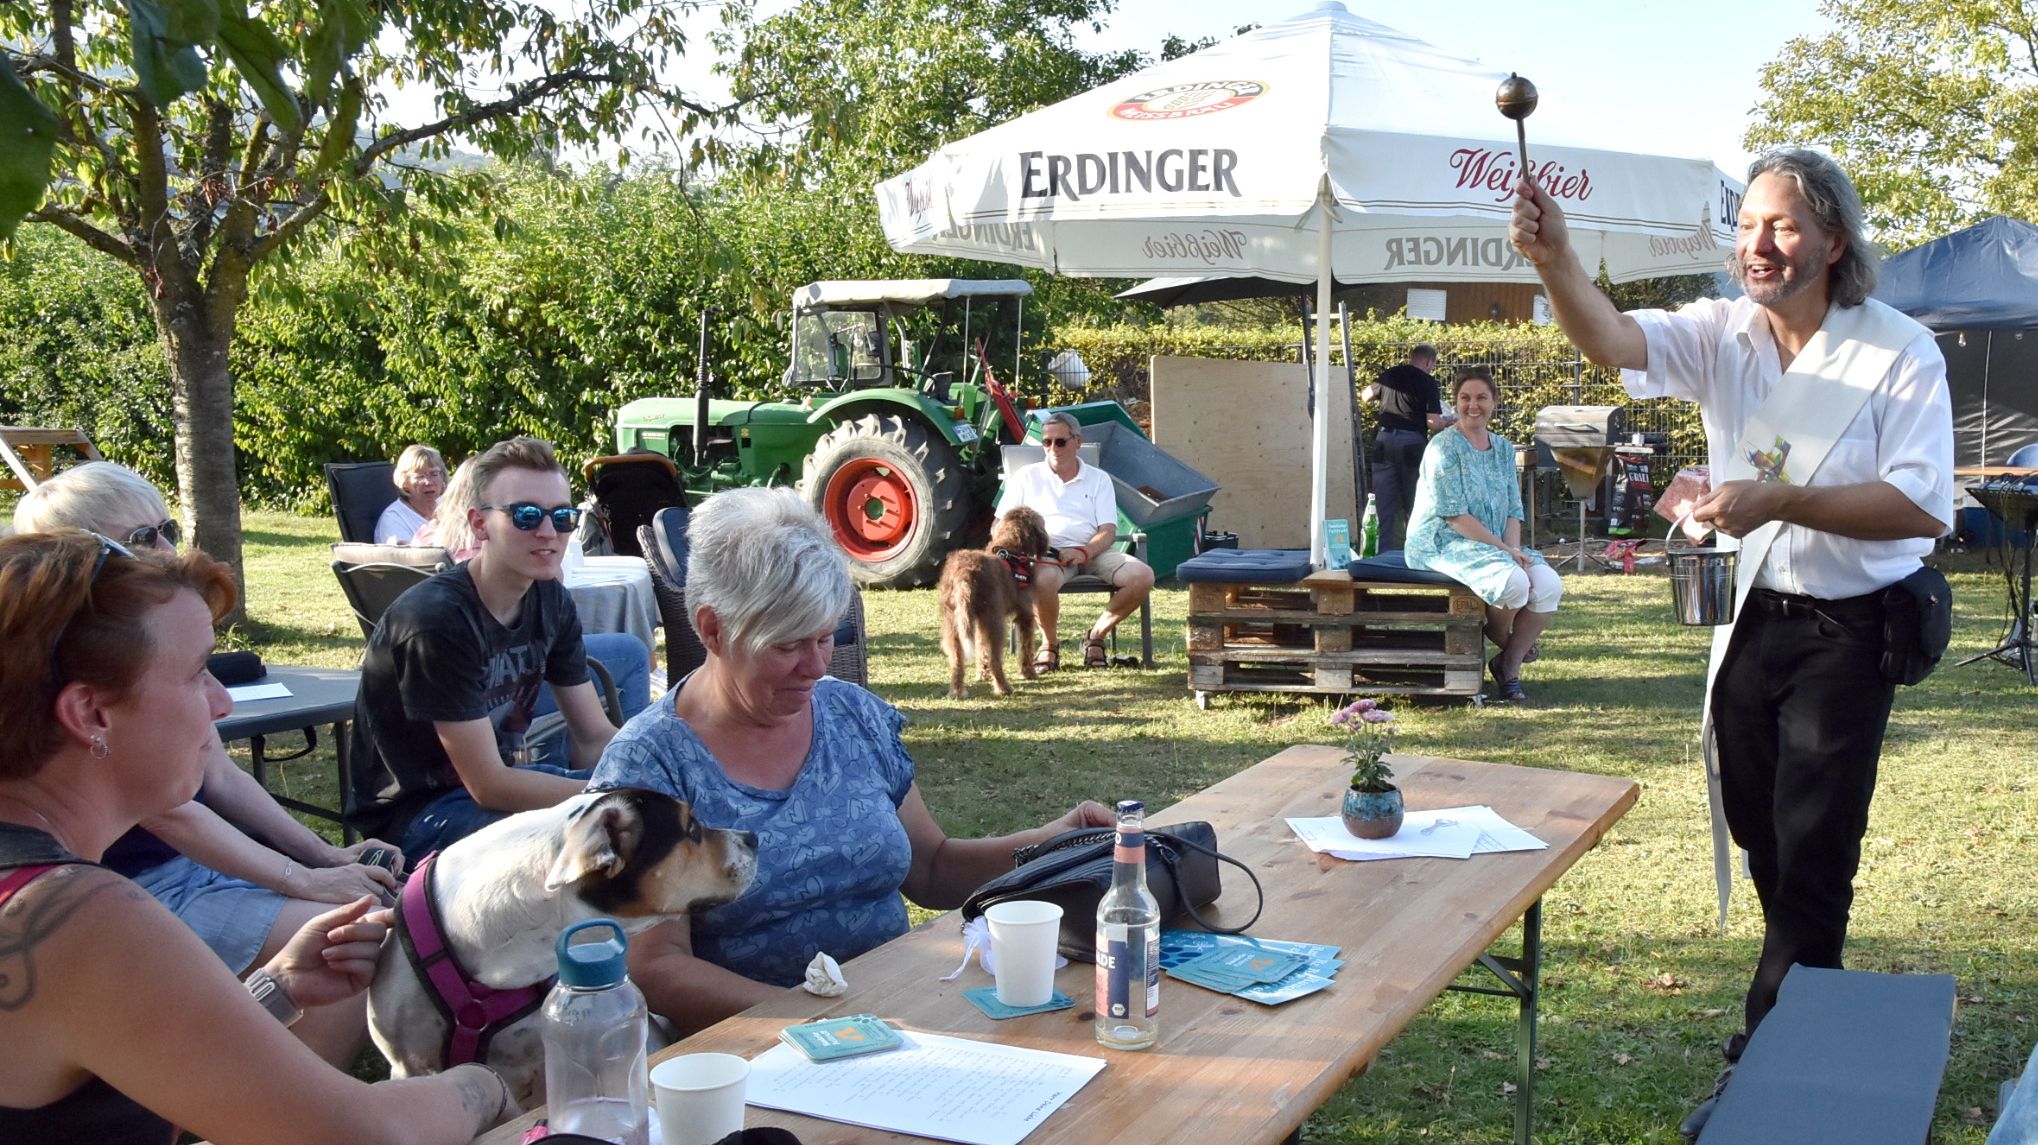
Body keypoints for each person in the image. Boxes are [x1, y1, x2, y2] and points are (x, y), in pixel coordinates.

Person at [1510, 148, 1953, 1138]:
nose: (1756, 242)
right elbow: (1612, 340)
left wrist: (1779, 497)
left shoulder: (1895, 349)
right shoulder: (1719, 333)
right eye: (1747, 223)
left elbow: (1921, 508)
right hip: (1749, 617)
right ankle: (1807, 999)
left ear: (1833, 241)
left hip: (1852, 631)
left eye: (1782, 225)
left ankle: (1775, 1048)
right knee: (1762, 826)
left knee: (1815, 848)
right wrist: (1555, 265)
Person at [0, 530, 513, 1144]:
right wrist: (489, 1084)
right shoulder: (75, 918)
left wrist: (277, 989)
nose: (221, 704)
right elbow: (364, 1135)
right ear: (89, 714)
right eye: (196, 674)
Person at [589, 488, 1112, 1035]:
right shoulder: (650, 766)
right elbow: (656, 967)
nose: (816, 666)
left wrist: (1056, 841)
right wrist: (817, 1020)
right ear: (712, 628)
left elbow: (931, 868)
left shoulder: (851, 715)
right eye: (788, 645)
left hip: (892, 1020)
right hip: (754, 1053)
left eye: (826, 636)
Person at [14, 461, 403, 1063]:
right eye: (143, 539)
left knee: (353, 933)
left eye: (166, 527)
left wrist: (322, 855)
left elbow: (216, 773)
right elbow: (175, 813)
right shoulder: (71, 907)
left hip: (189, 876)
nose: (168, 549)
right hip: (143, 887)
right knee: (353, 945)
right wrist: (306, 878)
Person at [345, 437, 621, 857]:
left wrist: (648, 770)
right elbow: (487, 784)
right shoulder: (436, 620)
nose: (548, 532)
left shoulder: (551, 599)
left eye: (562, 517)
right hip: (417, 818)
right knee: (603, 842)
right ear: (479, 525)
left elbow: (593, 734)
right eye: (526, 516)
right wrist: (610, 797)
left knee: (644, 826)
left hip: (501, 786)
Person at [1403, 368, 1562, 702]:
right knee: (1515, 583)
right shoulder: (1442, 447)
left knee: (1548, 585)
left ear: (1495, 402)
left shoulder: (1504, 449)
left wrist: (1513, 550)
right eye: (1464, 398)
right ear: (1456, 403)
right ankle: (1503, 638)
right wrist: (1505, 550)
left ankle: (1509, 664)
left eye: (1480, 398)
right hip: (1442, 540)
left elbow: (1512, 510)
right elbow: (1455, 515)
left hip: (1493, 543)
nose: (1472, 405)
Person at [993, 412, 1156, 670]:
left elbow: (1108, 530)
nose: (1052, 448)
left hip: (1095, 550)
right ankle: (1049, 645)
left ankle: (1095, 638)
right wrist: (1020, 547)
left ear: (1077, 441)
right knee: (1042, 580)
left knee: (1143, 576)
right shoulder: (1026, 477)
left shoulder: (1099, 478)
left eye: (1060, 442)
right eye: (1047, 442)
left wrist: (1085, 551)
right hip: (1046, 552)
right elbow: (999, 525)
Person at [1364, 343, 1454, 551]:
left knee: (1383, 503)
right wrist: (1449, 420)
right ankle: (1414, 551)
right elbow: (1433, 423)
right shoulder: (1427, 382)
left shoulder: (1391, 374)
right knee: (1416, 501)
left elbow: (1366, 395)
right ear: (1429, 361)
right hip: (1412, 443)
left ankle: (1379, 553)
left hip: (1383, 439)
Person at [373, 444, 446, 544]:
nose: (428, 482)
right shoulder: (393, 519)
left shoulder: (448, 507)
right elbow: (407, 557)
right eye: (420, 476)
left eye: (434, 474)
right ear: (405, 482)